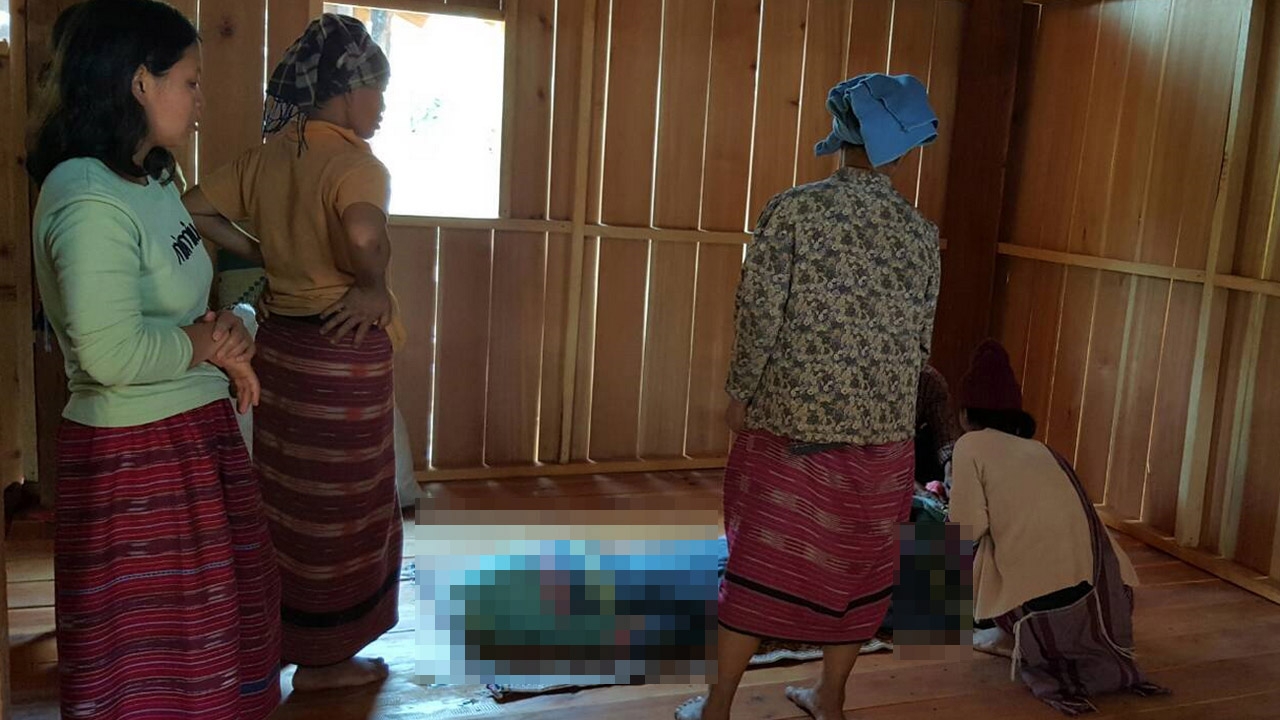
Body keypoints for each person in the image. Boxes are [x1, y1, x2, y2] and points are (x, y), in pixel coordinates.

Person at [27, 1, 281, 717]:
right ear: (141, 82)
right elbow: (112, 353)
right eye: (191, 82)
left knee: (215, 640)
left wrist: (233, 324)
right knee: (158, 665)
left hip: (191, 433)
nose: (200, 100)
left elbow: (186, 303)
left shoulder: (154, 178)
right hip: (135, 458)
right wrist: (211, 344)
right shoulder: (86, 196)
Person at [675, 73, 942, 720]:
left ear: (841, 136)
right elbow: (919, 341)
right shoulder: (920, 234)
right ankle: (830, 696)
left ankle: (719, 705)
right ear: (905, 149)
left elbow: (759, 313)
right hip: (883, 434)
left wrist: (741, 393)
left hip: (789, 426)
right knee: (860, 566)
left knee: (760, 562)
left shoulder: (793, 211)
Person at [181, 13, 404, 691]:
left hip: (283, 353)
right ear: (347, 92)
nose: (383, 105)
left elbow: (194, 206)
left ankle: (280, 636)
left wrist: (267, 253)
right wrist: (371, 286)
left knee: (289, 502)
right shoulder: (356, 165)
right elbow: (363, 236)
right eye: (377, 90)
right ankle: (326, 661)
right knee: (345, 508)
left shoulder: (268, 157)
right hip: (343, 356)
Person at [948, 340, 1167, 715]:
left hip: (1045, 613)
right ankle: (1002, 632)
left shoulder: (970, 445)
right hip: (1108, 604)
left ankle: (931, 631)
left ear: (966, 413)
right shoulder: (1044, 449)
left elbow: (964, 530)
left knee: (934, 535)